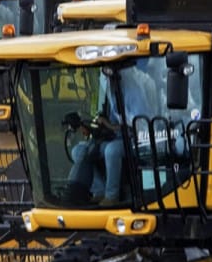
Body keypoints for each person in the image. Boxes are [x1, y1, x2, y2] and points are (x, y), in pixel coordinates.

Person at [62, 62, 162, 204]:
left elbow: (140, 125)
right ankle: (99, 190)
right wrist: (94, 125)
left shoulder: (134, 92)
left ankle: (111, 196)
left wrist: (110, 126)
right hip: (115, 137)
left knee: (112, 151)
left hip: (137, 140)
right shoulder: (111, 91)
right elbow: (112, 120)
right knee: (79, 151)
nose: (105, 76)